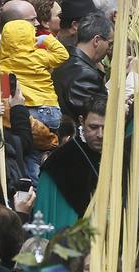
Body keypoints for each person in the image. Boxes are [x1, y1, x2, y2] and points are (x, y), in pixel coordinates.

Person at [33, 95, 105, 229]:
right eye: (93, 127)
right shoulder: (59, 162)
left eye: (105, 127)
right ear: (82, 121)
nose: (100, 134)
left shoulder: (122, 153)